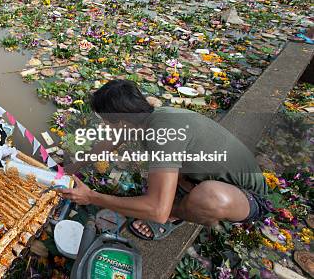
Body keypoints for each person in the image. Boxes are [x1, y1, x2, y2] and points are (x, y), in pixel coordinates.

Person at [58, 79, 269, 240]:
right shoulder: (146, 117)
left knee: (205, 198)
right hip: (207, 175)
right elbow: (110, 142)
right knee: (160, 174)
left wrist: (91, 196)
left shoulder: (163, 132)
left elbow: (157, 212)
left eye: (106, 121)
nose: (106, 126)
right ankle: (175, 196)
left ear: (121, 121)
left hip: (247, 199)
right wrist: (70, 168)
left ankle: (176, 213)